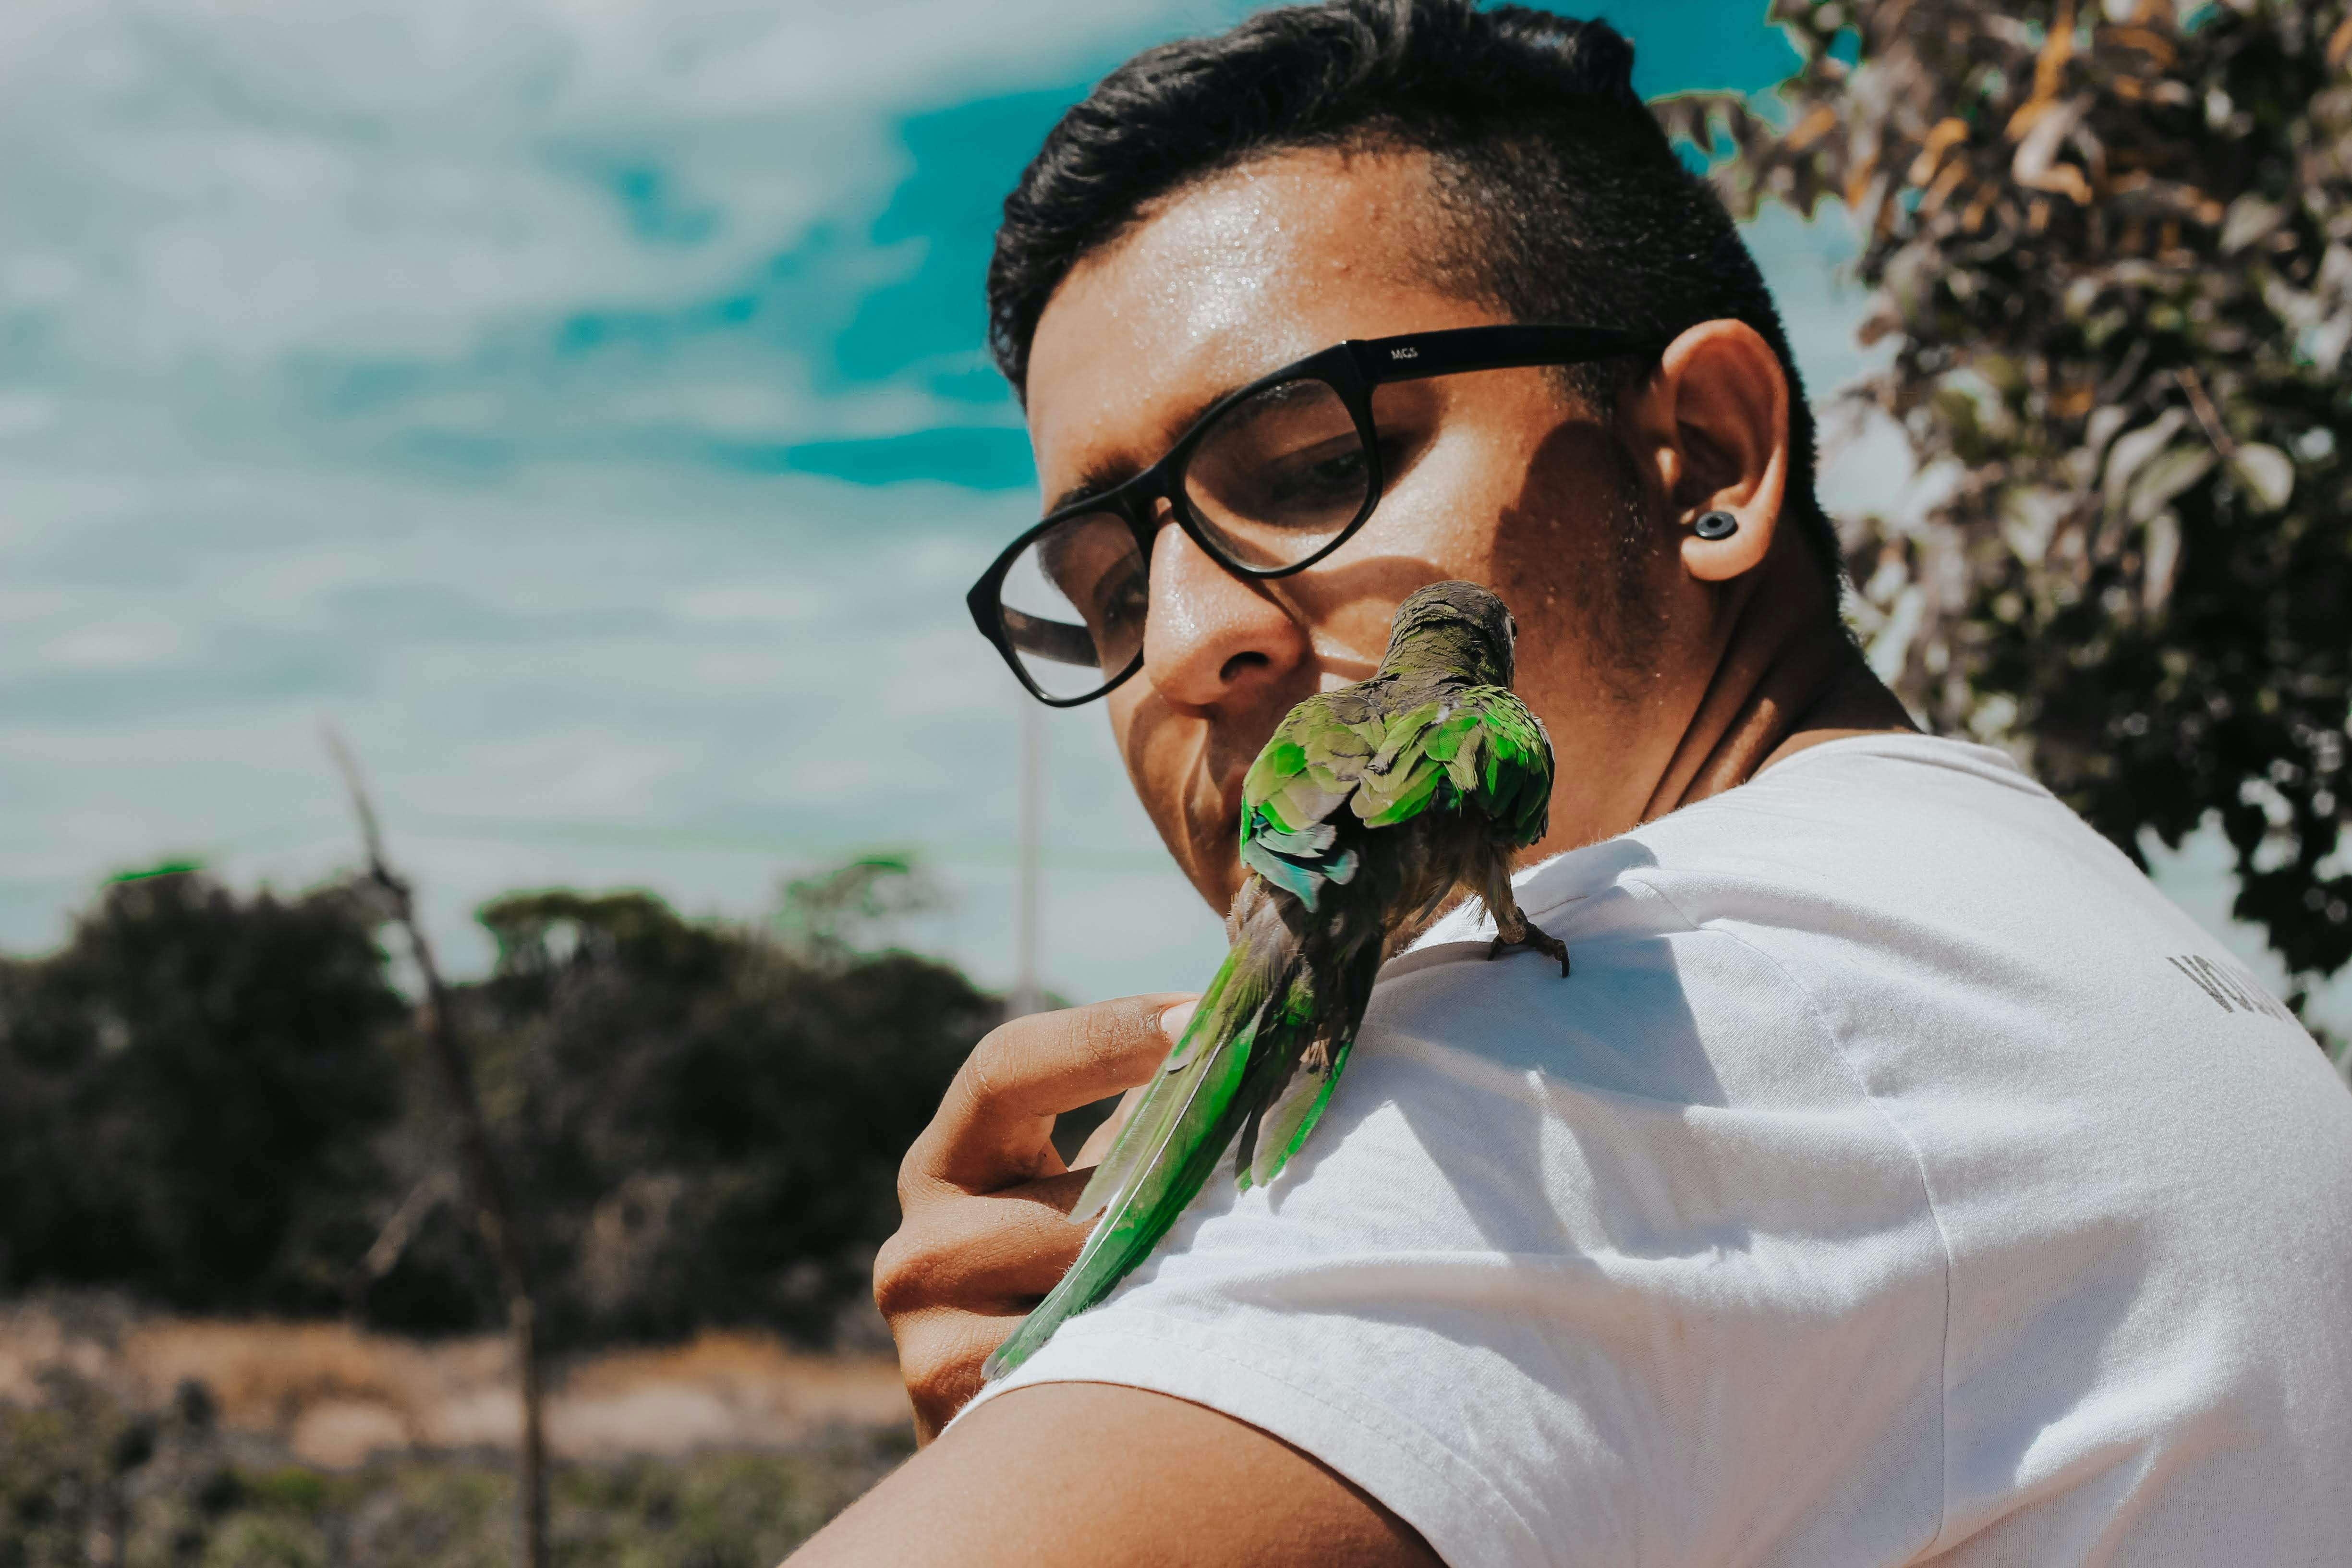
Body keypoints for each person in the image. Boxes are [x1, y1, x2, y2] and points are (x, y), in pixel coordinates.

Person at [791, 2, 2352, 1563]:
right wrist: (1122, 1401)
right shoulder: (2064, 948)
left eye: (1318, 468)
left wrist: (1132, 1380)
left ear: (1704, 455)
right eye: (1111, 588)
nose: (1190, 641)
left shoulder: (1598, 1052)